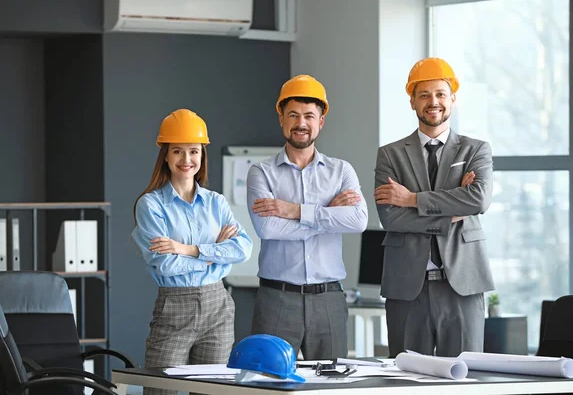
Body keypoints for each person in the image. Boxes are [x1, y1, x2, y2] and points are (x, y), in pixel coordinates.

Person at [373, 57, 494, 357]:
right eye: (424, 95)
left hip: (463, 284)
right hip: (407, 288)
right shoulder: (389, 155)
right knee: (408, 381)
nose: (433, 102)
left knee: (465, 379)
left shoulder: (475, 149)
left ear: (452, 98)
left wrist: (412, 199)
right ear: (412, 101)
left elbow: (478, 200)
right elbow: (391, 217)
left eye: (440, 94)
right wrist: (452, 209)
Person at [246, 75, 368, 359]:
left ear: (321, 121)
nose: (301, 123)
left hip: (329, 299)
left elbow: (358, 221)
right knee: (268, 382)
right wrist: (328, 214)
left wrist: (295, 211)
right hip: (276, 298)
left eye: (309, 116)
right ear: (281, 119)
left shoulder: (342, 171)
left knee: (330, 385)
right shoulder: (261, 172)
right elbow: (267, 228)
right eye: (293, 115)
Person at [132, 108, 252, 395]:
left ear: (202, 155)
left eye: (194, 152)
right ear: (166, 155)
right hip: (175, 307)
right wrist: (215, 255)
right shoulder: (151, 205)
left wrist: (187, 249)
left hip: (218, 307)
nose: (187, 160)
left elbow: (243, 249)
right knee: (160, 391)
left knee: (214, 391)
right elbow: (165, 265)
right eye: (177, 151)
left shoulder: (216, 203)